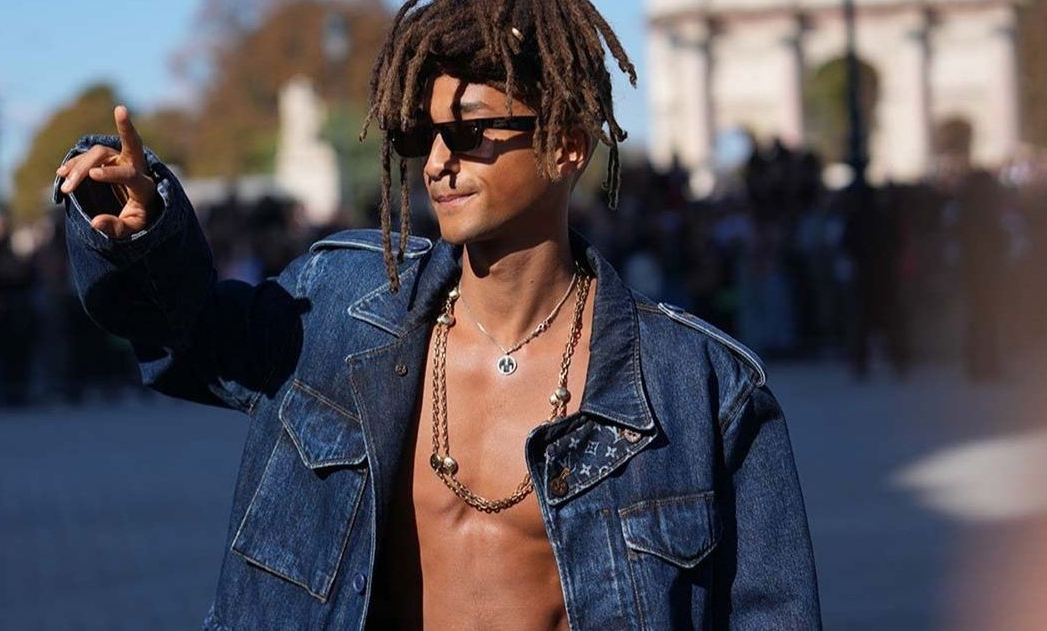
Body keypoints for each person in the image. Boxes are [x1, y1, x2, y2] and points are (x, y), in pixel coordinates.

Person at [52, 1, 820, 628]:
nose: (438, 162)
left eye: (471, 132)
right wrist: (142, 235)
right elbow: (186, 337)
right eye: (423, 135)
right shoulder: (338, 314)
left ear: (566, 146)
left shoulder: (700, 389)